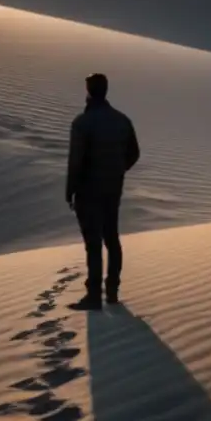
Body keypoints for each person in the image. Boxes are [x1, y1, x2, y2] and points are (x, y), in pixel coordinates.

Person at [66, 73, 140, 310]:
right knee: (111, 238)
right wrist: (117, 170)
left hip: (88, 190)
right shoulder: (122, 120)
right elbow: (134, 154)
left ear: (89, 91)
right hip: (112, 188)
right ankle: (112, 292)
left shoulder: (82, 123)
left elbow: (75, 161)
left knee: (93, 243)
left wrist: (70, 190)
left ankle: (94, 295)